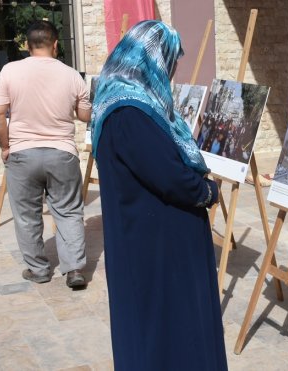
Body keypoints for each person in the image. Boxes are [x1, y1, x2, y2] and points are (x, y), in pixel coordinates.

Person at [90, 21, 227, 370]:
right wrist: (207, 191)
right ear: (152, 60)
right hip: (157, 248)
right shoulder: (130, 112)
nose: (173, 71)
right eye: (170, 62)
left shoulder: (122, 101)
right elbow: (170, 177)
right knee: (167, 333)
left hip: (150, 238)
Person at [0, 20, 90, 288]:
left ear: (26, 45)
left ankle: (38, 269)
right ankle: (74, 270)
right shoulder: (71, 75)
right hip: (62, 153)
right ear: (55, 44)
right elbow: (84, 115)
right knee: (69, 212)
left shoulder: (9, 71)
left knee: (26, 216)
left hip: (22, 154)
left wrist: (5, 147)